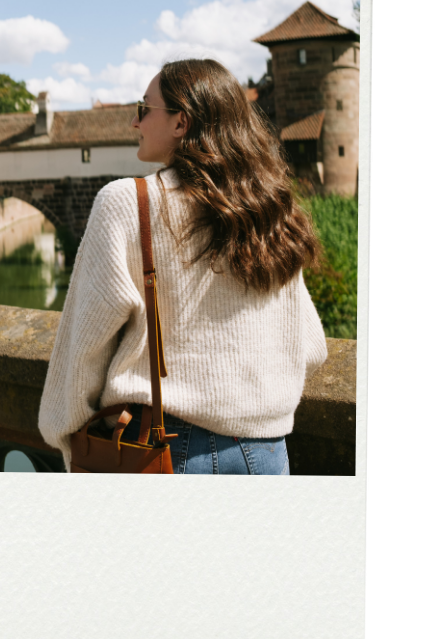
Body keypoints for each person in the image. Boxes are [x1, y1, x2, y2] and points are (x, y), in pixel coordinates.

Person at [38, 58, 328, 474]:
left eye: (143, 109)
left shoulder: (127, 203)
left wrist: (69, 439)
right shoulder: (270, 210)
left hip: (163, 448)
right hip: (268, 453)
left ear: (181, 123)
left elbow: (83, 350)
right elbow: (312, 347)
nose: (134, 123)